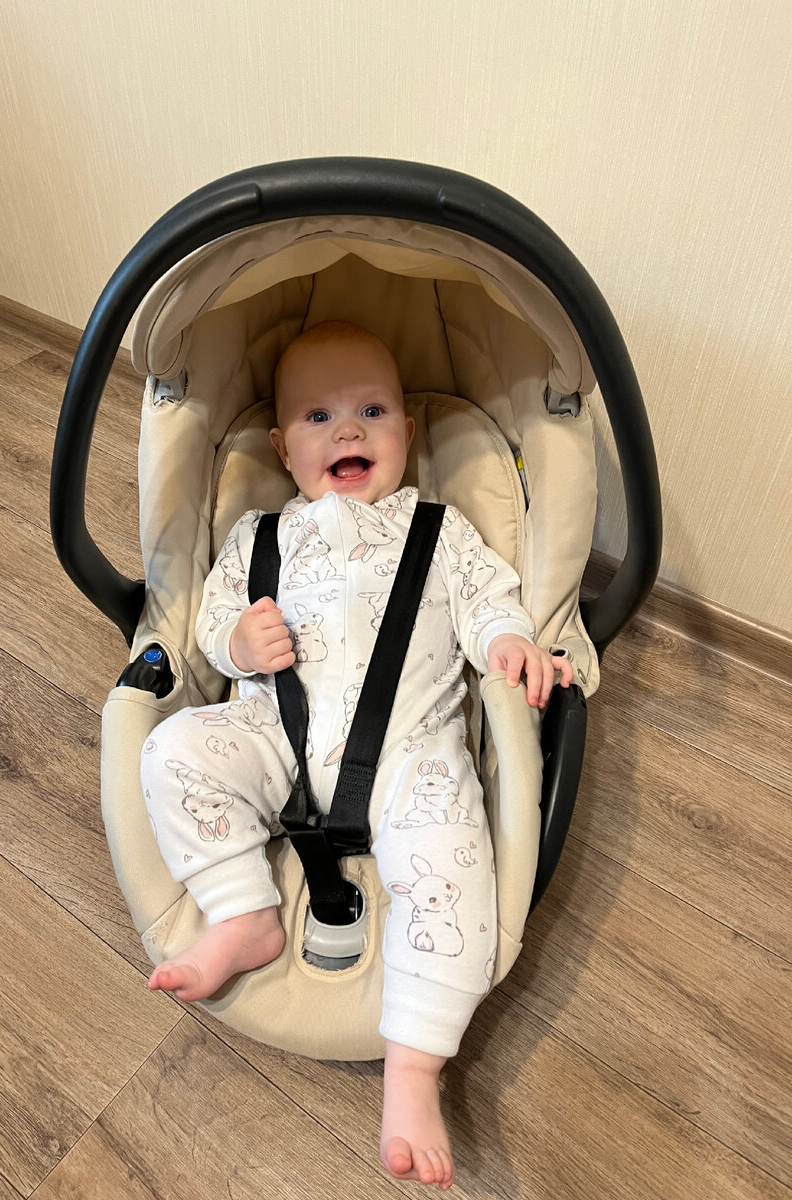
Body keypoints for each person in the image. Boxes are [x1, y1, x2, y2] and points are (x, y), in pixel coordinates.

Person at [141, 320, 573, 1191]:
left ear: (407, 433)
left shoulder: (440, 530)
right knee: (172, 748)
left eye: (372, 411)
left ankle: (414, 1068)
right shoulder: (259, 537)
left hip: (412, 753)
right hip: (277, 739)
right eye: (318, 417)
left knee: (455, 856)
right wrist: (237, 643)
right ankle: (243, 912)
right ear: (281, 447)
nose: (347, 430)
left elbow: (490, 599)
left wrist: (507, 643)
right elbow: (213, 625)